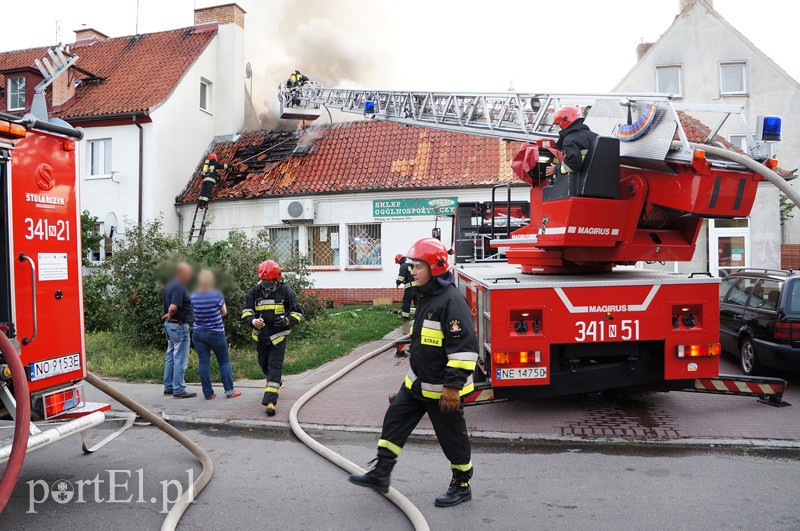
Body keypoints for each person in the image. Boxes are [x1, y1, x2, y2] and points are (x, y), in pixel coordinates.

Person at [349, 238, 478, 508]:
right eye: (413, 266)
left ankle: (462, 484)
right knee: (394, 420)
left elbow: (464, 349)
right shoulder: (427, 296)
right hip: (418, 383)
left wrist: (453, 388)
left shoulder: (451, 301)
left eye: (418, 266)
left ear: (435, 267)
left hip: (443, 390)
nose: (413, 271)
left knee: (452, 439)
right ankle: (381, 473)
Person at [241, 260, 303, 416]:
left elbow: (298, 313)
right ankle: (274, 382)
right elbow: (246, 312)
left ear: (277, 279)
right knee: (264, 366)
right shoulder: (254, 292)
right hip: (260, 337)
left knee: (274, 368)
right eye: (264, 282)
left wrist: (286, 322)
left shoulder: (286, 292)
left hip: (278, 338)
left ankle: (270, 402)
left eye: (269, 283)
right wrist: (252, 321)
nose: (266, 285)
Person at [191, 269, 241, 400]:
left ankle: (208, 393)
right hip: (215, 333)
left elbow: (194, 312)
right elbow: (224, 311)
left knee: (203, 362)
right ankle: (230, 392)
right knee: (224, 361)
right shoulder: (216, 294)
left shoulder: (193, 295)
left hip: (198, 333)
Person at [162, 262, 197, 399]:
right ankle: (179, 389)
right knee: (180, 358)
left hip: (171, 325)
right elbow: (173, 306)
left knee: (170, 356)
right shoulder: (179, 286)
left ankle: (168, 387)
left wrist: (169, 318)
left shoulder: (170, 285)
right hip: (179, 326)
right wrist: (170, 314)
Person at [545, 105, 598, 178]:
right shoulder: (594, 136)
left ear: (564, 121)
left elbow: (573, 165)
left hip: (583, 184)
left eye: (558, 125)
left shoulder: (570, 140)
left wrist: (556, 169)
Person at [395, 253, 415, 319]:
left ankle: (405, 316)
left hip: (410, 287)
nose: (399, 264)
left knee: (406, 301)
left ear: (399, 260)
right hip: (418, 286)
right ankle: (420, 316)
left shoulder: (403, 266)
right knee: (417, 301)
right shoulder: (412, 264)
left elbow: (401, 277)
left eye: (398, 263)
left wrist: (397, 283)